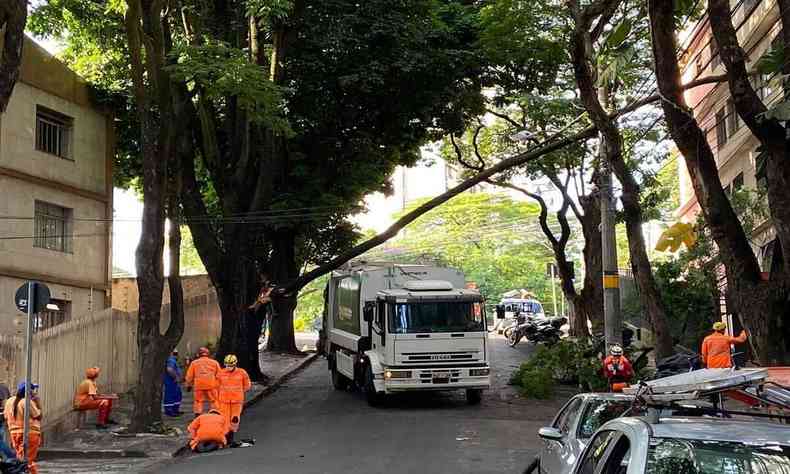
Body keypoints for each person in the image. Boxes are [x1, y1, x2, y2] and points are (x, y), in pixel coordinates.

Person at [4, 382, 42, 474]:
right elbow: (39, 416)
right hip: (30, 434)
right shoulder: (27, 402)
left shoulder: (9, 401)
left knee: (21, 458)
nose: (34, 392)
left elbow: (5, 416)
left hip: (14, 434)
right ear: (29, 392)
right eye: (32, 390)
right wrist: (38, 403)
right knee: (27, 461)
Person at [216, 354, 251, 443]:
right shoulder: (220, 373)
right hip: (224, 400)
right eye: (227, 365)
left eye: (231, 365)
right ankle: (225, 436)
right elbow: (216, 385)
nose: (229, 367)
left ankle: (231, 434)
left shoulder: (242, 373)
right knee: (224, 419)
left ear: (235, 364)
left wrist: (239, 392)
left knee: (235, 418)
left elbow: (247, 385)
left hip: (237, 400)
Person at [185, 347, 221, 416]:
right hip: (211, 385)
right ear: (208, 354)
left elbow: (189, 376)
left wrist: (188, 385)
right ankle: (215, 413)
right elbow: (219, 375)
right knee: (214, 400)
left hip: (199, 385)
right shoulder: (214, 363)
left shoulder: (194, 363)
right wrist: (218, 385)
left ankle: (198, 414)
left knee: (198, 401)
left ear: (199, 354)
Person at [163, 350, 183, 417]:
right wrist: (176, 377)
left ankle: (175, 410)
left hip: (174, 382)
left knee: (177, 395)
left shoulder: (172, 360)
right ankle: (169, 410)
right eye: (176, 354)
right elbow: (170, 369)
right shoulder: (171, 360)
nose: (177, 356)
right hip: (171, 381)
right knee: (170, 395)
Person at [0, 382, 17, 460]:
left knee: (0, 442)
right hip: (2, 419)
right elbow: (8, 403)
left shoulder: (2, 388)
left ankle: (12, 457)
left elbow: (5, 403)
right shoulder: (4, 387)